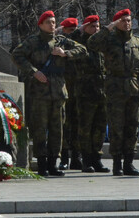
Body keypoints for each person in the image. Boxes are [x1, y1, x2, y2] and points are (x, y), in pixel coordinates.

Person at [11, 10, 82, 177]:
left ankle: (53, 164)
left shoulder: (61, 41)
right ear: (41, 24)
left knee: (57, 129)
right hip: (39, 92)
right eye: (49, 22)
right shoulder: (33, 42)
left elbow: (82, 49)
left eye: (54, 22)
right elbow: (16, 55)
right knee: (40, 129)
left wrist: (66, 53)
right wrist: (33, 71)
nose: (52, 25)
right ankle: (42, 163)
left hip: (58, 92)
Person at [87, 9, 139, 176]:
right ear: (117, 23)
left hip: (133, 89)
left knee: (132, 127)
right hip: (114, 89)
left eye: (129, 20)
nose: (127, 23)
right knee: (117, 127)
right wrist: (108, 28)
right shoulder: (109, 40)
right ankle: (117, 163)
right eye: (123, 20)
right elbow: (92, 44)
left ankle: (129, 163)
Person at [73, 15, 109, 173]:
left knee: (100, 128)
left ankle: (97, 158)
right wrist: (78, 32)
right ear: (85, 27)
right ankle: (86, 160)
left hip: (102, 92)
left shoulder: (101, 45)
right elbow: (68, 40)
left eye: (98, 27)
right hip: (85, 92)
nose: (96, 29)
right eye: (92, 26)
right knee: (85, 128)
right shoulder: (80, 43)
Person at [56, 16, 81, 170]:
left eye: (75, 30)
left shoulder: (78, 44)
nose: (73, 33)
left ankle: (77, 158)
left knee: (78, 124)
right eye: (69, 30)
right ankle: (64, 158)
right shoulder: (58, 41)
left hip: (79, 89)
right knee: (64, 126)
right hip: (63, 89)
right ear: (63, 30)